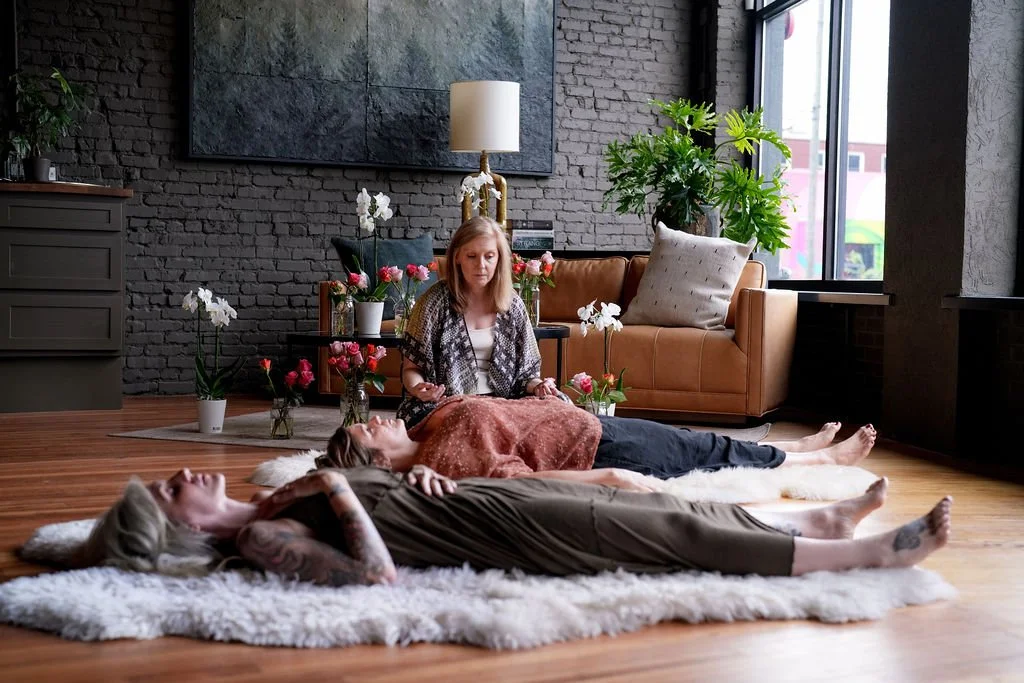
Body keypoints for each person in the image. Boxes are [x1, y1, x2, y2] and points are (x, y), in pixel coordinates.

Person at [73, 466, 952, 586]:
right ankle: (870, 552)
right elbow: (378, 578)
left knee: (659, 502)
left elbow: (378, 479)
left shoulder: (271, 494)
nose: (185, 475)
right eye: (171, 491)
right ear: (183, 529)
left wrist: (399, 472)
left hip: (480, 495)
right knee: (670, 539)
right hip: (498, 539)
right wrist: (339, 487)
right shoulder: (258, 540)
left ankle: (819, 515)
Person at [317, 395, 877, 491]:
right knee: (704, 454)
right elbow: (528, 483)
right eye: (370, 428)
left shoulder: (425, 430)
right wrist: (606, 478)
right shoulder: (447, 460)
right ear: (376, 458)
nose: (378, 419)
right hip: (601, 451)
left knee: (698, 442)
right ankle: (818, 459)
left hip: (587, 425)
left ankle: (797, 448)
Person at [397, 216, 565, 428]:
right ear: (457, 257)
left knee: (560, 404)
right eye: (472, 256)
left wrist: (539, 386)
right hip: (447, 403)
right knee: (470, 419)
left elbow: (527, 376)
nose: (481, 265)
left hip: (505, 403)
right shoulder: (434, 302)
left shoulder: (513, 305)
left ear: (499, 258)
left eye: (489, 256)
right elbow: (411, 369)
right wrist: (419, 388)